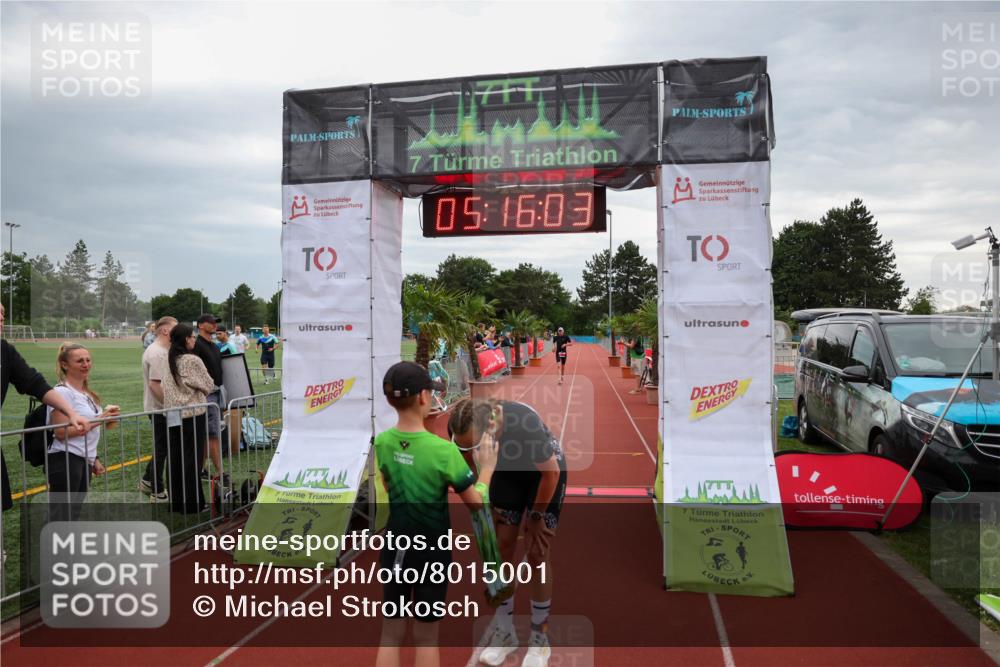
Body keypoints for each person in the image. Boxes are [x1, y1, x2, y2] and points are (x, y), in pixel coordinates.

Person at [374, 361, 498, 667]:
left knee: (390, 633)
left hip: (395, 546)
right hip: (431, 550)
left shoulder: (383, 442)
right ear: (423, 397)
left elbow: (388, 486)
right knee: (427, 636)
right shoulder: (444, 451)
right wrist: (488, 470)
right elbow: (475, 503)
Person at [448, 398, 567, 667]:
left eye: (475, 445)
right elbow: (467, 466)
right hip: (504, 473)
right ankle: (506, 633)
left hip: (543, 473)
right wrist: (485, 503)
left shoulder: (524, 425)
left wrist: (536, 517)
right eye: (463, 445)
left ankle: (540, 637)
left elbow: (551, 474)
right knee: (500, 548)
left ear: (491, 427)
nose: (469, 451)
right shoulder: (459, 428)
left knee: (538, 553)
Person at [1, 304, 91, 513]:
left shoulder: (4, 350)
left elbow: (35, 384)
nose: (1, 318)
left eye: (3, 313)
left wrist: (71, 412)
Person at [47, 343, 119, 521]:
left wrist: (94, 458)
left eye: (88, 360)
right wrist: (101, 419)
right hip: (65, 459)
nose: (86, 364)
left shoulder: (86, 393)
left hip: (83, 459)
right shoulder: (61, 393)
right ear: (65, 365)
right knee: (62, 515)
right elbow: (61, 433)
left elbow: (89, 427)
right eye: (79, 361)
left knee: (73, 513)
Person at [161, 323, 215, 514]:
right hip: (192, 414)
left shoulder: (169, 359)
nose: (194, 339)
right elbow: (208, 384)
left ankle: (177, 502)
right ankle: (193, 504)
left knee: (175, 458)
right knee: (192, 459)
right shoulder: (191, 360)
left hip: (173, 413)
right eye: (192, 337)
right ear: (186, 339)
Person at [139, 316, 177, 502]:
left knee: (163, 447)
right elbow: (155, 384)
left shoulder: (162, 350)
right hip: (159, 409)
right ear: (165, 330)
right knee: (162, 450)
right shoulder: (157, 353)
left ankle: (147, 480)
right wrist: (171, 406)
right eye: (174, 328)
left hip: (161, 408)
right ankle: (157, 490)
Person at [193, 314, 226, 483]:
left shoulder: (214, 345)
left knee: (210, 433)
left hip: (217, 392)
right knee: (213, 434)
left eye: (216, 322)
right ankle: (220, 473)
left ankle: (201, 469)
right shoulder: (197, 344)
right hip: (207, 395)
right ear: (200, 325)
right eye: (211, 323)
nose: (214, 325)